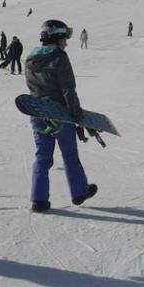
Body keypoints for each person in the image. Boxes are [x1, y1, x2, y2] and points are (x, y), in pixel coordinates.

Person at [24, 20, 97, 211]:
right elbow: (68, 90)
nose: (66, 42)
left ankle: (38, 200)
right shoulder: (59, 57)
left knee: (42, 156)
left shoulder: (30, 58)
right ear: (57, 38)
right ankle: (79, 192)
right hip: (60, 114)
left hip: (38, 113)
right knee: (70, 155)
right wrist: (77, 115)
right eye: (64, 38)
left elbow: (32, 87)